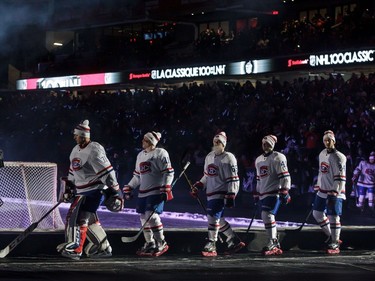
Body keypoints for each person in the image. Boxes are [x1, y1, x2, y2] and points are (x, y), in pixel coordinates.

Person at [57, 120, 123, 260]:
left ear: (83, 135)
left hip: (95, 190)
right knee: (88, 219)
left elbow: (107, 171)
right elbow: (73, 171)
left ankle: (75, 248)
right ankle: (103, 247)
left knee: (74, 216)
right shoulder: (75, 149)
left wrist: (116, 191)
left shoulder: (94, 149)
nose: (74, 137)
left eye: (76, 135)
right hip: (82, 190)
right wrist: (69, 187)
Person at [191, 131, 244, 257]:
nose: (216, 143)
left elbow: (233, 178)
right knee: (217, 219)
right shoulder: (209, 157)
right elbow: (207, 175)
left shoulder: (229, 157)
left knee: (212, 216)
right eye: (215, 141)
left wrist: (231, 193)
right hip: (211, 192)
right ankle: (233, 239)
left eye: (218, 141)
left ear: (224, 143)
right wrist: (199, 185)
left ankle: (212, 242)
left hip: (221, 192)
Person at [123, 131, 174, 257]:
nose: (142, 142)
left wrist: (166, 187)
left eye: (145, 140)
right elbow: (137, 176)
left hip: (156, 191)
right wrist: (130, 186)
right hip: (143, 192)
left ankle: (161, 242)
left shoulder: (161, 153)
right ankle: (150, 242)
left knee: (151, 216)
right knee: (143, 217)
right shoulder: (140, 155)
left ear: (151, 141)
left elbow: (168, 172)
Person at [254, 135, 291, 256]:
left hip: (275, 192)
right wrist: (257, 192)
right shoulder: (258, 160)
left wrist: (285, 189)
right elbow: (259, 179)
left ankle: (273, 241)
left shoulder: (278, 157)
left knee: (267, 215)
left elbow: (285, 175)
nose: (266, 146)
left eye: (268, 144)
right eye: (264, 143)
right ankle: (274, 239)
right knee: (266, 216)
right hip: (264, 193)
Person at [313, 130, 347, 254]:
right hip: (322, 190)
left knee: (333, 216)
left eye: (329, 140)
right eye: (325, 140)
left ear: (334, 141)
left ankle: (335, 242)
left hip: (335, 191)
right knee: (317, 213)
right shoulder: (322, 153)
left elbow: (340, 177)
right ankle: (332, 237)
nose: (327, 142)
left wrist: (335, 191)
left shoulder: (339, 157)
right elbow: (321, 171)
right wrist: (318, 185)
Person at [352, 151, 375, 216]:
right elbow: (358, 169)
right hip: (362, 183)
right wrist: (355, 175)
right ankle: (360, 211)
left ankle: (371, 212)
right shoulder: (363, 163)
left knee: (371, 200)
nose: (372, 160)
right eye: (371, 159)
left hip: (371, 184)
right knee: (361, 199)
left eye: (373, 159)